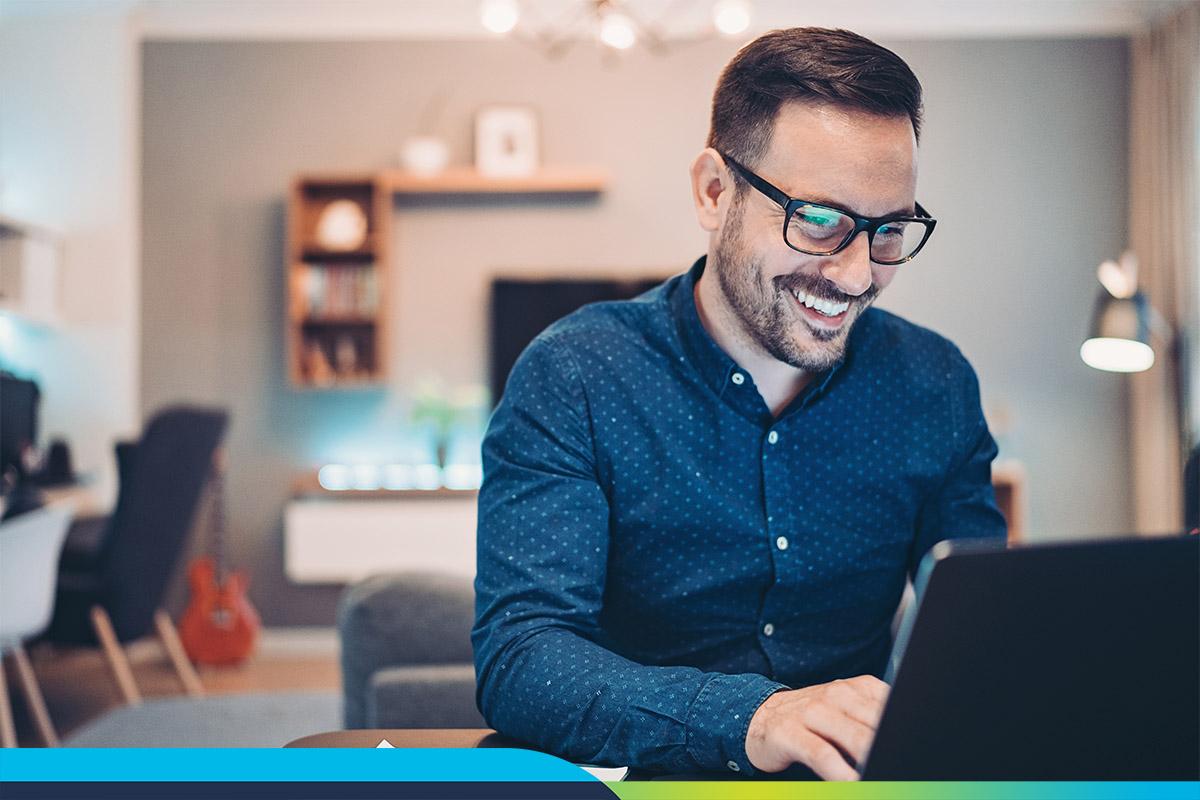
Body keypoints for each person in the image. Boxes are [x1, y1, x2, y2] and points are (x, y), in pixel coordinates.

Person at [472, 27, 1006, 780]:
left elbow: (980, 635)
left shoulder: (936, 384)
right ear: (714, 191)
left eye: (889, 231)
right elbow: (521, 658)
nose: (857, 277)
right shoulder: (575, 374)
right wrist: (751, 717)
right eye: (820, 222)